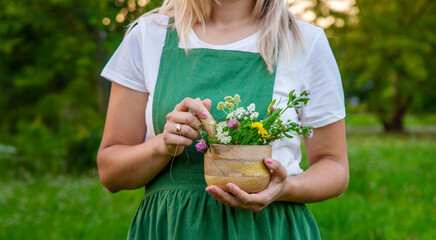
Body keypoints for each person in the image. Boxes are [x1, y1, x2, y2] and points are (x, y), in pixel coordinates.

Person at [98, 0, 349, 239]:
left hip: (266, 229)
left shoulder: (304, 42)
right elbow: (111, 173)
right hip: (172, 228)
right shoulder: (148, 37)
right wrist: (163, 145)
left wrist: (283, 189)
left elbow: (334, 167)